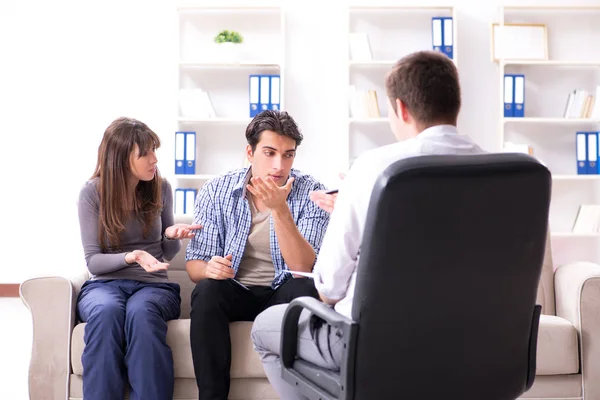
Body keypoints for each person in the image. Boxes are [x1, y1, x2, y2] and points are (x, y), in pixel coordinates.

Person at [251, 50, 486, 399]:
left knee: (265, 328)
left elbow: (328, 288)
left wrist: (354, 205)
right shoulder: (504, 172)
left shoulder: (376, 167)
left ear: (401, 108)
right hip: (471, 343)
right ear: (457, 103)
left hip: (376, 343)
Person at [185, 109, 331, 400]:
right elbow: (193, 266)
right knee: (206, 291)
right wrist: (209, 269)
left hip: (282, 292)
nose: (279, 165)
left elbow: (302, 266)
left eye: (288, 155)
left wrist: (280, 209)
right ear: (250, 153)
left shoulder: (312, 191)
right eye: (270, 153)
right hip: (236, 290)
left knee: (305, 286)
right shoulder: (216, 191)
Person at [76, 117, 202, 400]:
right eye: (145, 153)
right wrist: (132, 257)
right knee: (106, 313)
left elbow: (166, 254)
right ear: (120, 157)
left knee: (142, 314)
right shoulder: (91, 193)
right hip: (105, 286)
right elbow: (93, 262)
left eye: (154, 150)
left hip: (154, 286)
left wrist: (171, 236)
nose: (154, 159)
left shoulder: (161, 187)